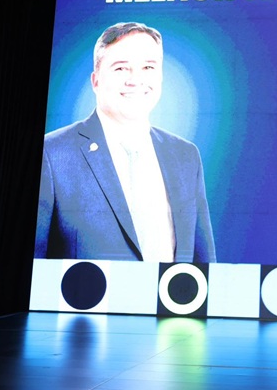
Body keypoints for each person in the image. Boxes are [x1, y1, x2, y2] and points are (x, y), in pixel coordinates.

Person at [34, 22, 216, 263]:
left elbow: (203, 266)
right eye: (121, 68)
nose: (135, 80)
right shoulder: (52, 153)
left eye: (148, 67)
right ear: (95, 81)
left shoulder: (185, 156)